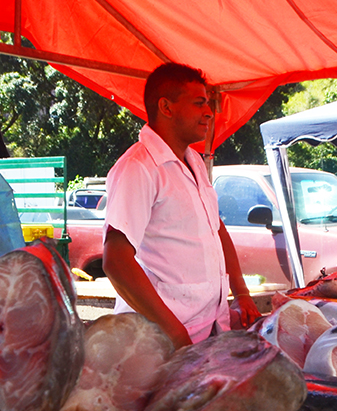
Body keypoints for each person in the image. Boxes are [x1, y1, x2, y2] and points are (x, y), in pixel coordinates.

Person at [102, 63, 261, 348]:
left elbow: (216, 228)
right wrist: (174, 332)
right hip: (159, 341)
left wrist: (241, 292)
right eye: (199, 103)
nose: (209, 113)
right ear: (166, 107)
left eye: (209, 104)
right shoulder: (139, 167)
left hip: (204, 330)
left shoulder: (194, 161)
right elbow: (116, 260)